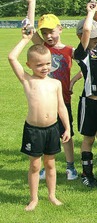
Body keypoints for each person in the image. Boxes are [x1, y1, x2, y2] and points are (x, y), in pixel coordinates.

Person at [9, 26, 71, 211]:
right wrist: (25, 39)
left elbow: (61, 107)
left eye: (47, 64)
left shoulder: (55, 83)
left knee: (50, 164)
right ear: (29, 65)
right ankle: (34, 198)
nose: (44, 68)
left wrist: (66, 128)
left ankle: (52, 195)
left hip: (52, 128)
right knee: (35, 166)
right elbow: (12, 58)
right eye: (39, 65)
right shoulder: (27, 80)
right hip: (33, 130)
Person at [23, 0, 78, 181]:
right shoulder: (43, 48)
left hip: (63, 100)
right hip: (45, 102)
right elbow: (29, 28)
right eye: (44, 32)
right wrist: (32, 3)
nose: (48, 35)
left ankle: (70, 166)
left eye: (51, 31)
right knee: (46, 135)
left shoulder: (69, 50)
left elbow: (87, 66)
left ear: (60, 29)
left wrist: (75, 79)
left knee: (66, 133)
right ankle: (45, 167)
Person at [74, 4, 97, 188]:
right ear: (80, 37)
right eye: (92, 38)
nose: (96, 40)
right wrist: (90, 12)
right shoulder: (81, 54)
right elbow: (87, 29)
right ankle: (87, 173)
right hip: (89, 102)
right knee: (88, 139)